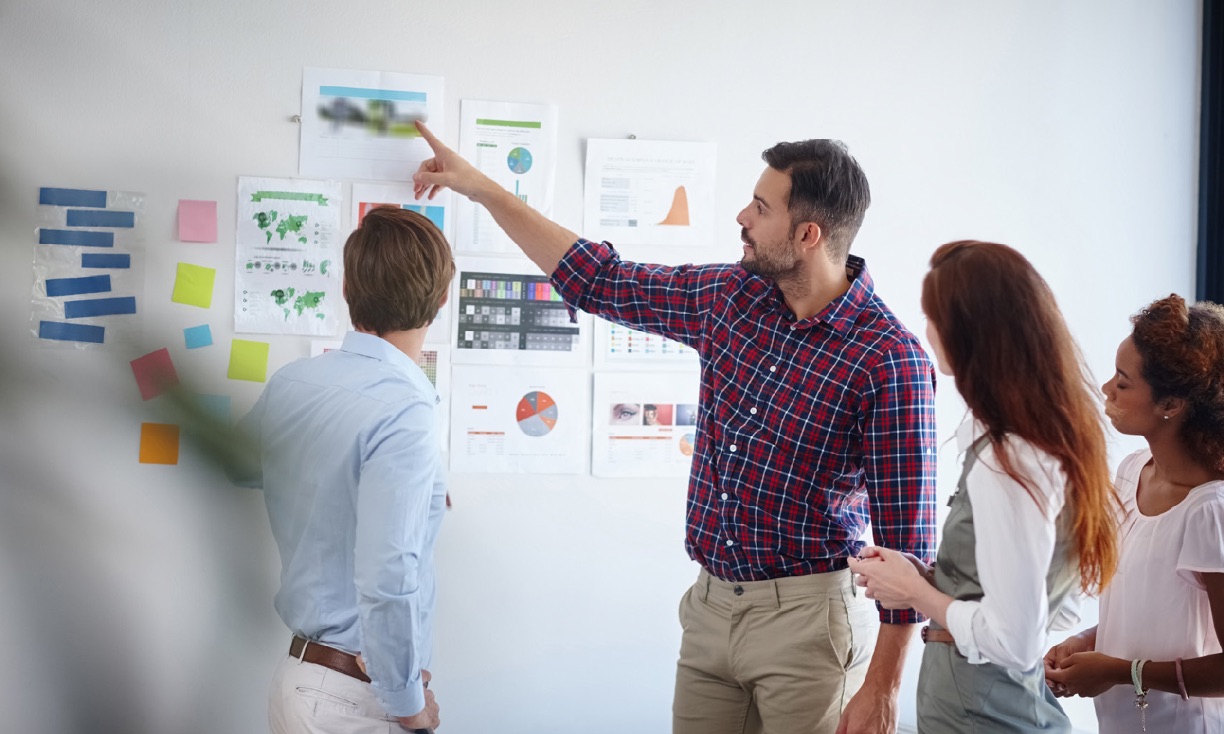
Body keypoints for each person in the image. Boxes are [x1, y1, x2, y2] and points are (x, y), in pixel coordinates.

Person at [411, 121, 937, 734]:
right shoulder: (731, 297)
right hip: (711, 609)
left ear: (808, 234)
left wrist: (884, 688)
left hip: (811, 625)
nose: (742, 216)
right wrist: (480, 187)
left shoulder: (888, 359)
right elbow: (599, 281)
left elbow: (909, 550)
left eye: (761, 208)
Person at [848, 241, 1119, 733]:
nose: (926, 331)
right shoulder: (1053, 438)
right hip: (991, 703)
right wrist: (934, 578)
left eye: (934, 319)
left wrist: (914, 592)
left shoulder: (1008, 458)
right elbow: (1049, 599)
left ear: (968, 335)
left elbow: (1016, 640)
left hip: (981, 710)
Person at [232, 207, 454, 733]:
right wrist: (408, 706)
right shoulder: (405, 410)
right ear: (443, 299)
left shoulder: (296, 382)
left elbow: (238, 464)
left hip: (300, 680)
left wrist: (345, 474)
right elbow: (387, 576)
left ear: (347, 287)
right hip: (355, 699)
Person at [1044, 294, 1224, 732]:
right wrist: (1090, 643)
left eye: (1123, 382)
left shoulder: (1210, 511)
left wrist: (1117, 671)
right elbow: (1149, 609)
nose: (1106, 388)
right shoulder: (1130, 473)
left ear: (1171, 404)